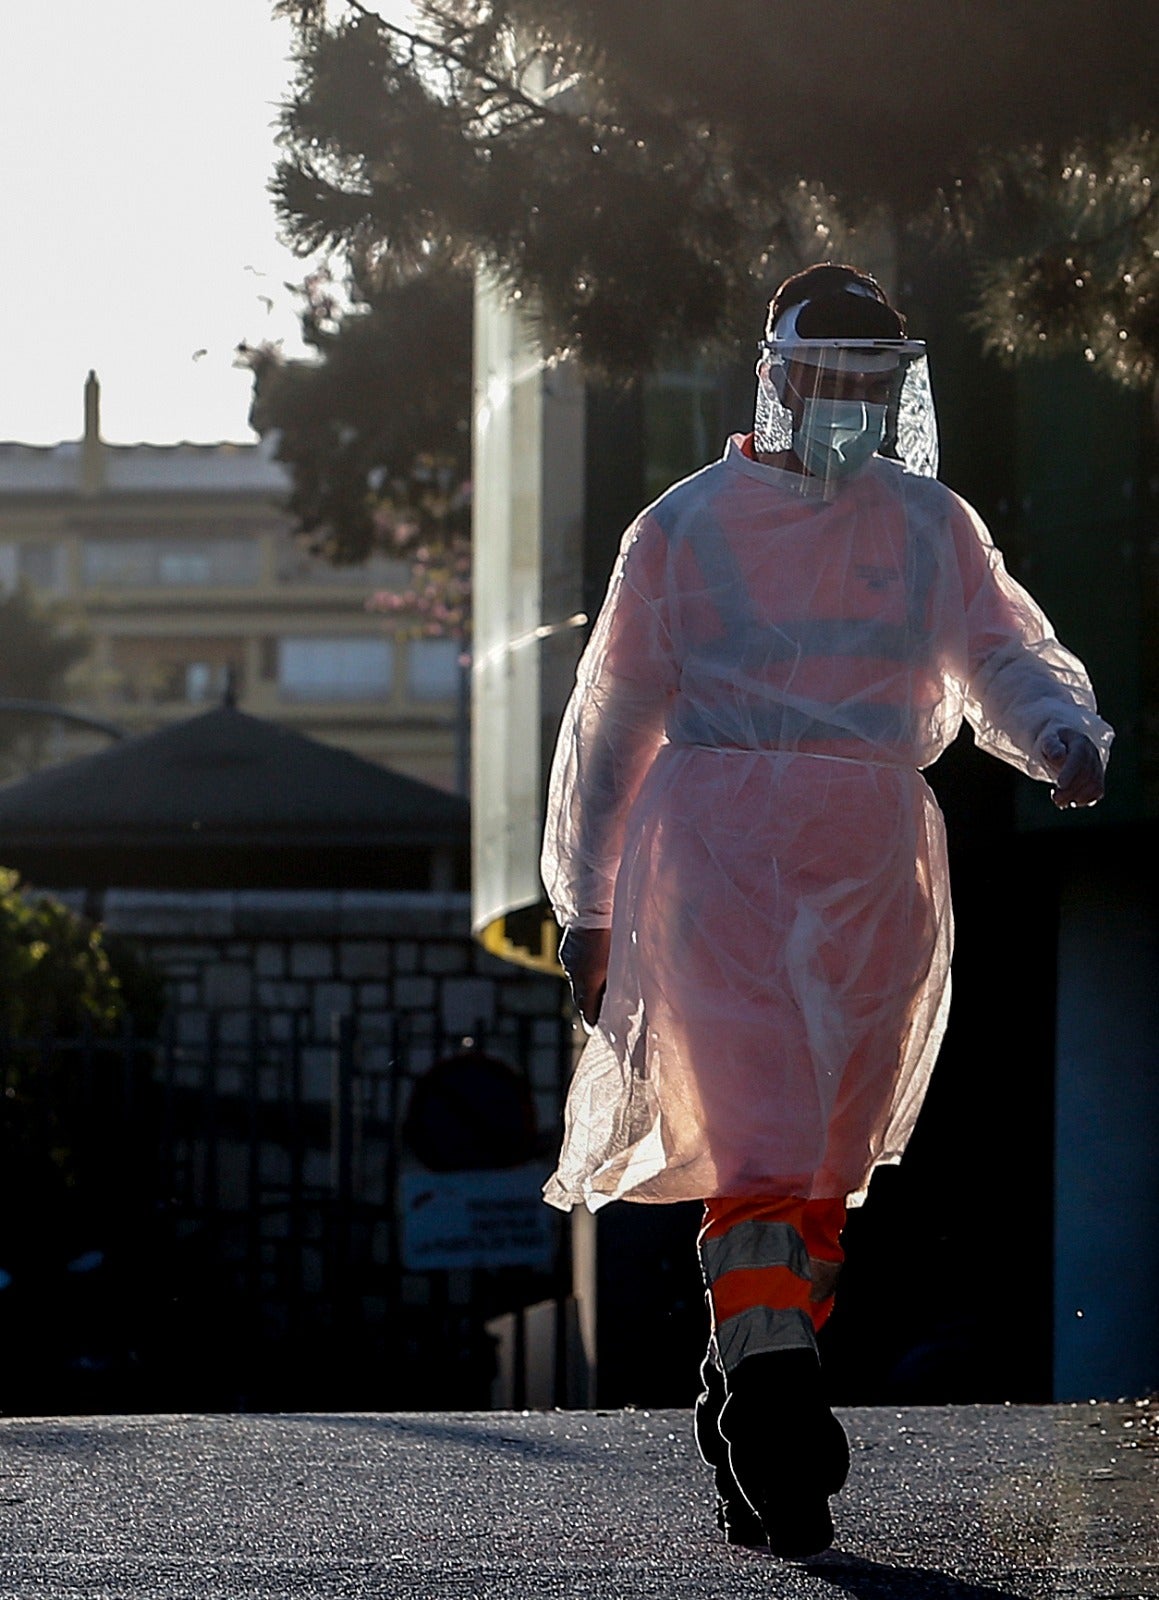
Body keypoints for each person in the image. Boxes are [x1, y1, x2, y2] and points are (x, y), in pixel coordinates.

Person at [539, 264, 1111, 1559]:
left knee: (824, 1173)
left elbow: (999, 654)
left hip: (874, 877)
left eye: (872, 388)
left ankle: (751, 1367)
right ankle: (781, 1410)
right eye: (830, 384)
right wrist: (587, 905)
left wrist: (1060, 730)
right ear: (779, 379)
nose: (848, 410)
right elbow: (611, 727)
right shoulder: (681, 530)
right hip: (720, 863)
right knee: (761, 1154)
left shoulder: (928, 529)